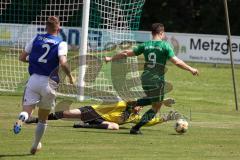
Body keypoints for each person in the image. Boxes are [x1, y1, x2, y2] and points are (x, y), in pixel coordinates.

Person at [105, 23, 199, 134]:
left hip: (145, 78)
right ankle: (135, 127)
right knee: (156, 106)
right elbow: (177, 62)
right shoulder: (165, 46)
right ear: (161, 33)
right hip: (156, 80)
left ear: (152, 33)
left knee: (152, 100)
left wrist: (111, 58)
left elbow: (126, 53)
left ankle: (133, 105)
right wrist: (191, 69)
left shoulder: (145, 45)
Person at [13, 16, 74, 154]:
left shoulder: (36, 38)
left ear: (45, 27)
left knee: (27, 111)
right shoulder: (61, 43)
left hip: (34, 80)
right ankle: (35, 145)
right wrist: (70, 76)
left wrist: (36, 62)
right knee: (43, 119)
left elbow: (22, 57)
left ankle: (22, 117)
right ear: (58, 28)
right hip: (50, 83)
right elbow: (63, 62)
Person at [25, 99, 179, 130]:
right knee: (66, 114)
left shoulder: (134, 117)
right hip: (92, 111)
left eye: (140, 107)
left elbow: (149, 122)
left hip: (98, 121)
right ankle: (35, 119)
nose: (139, 108)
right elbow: (130, 101)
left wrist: (166, 118)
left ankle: (84, 125)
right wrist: (162, 100)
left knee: (114, 127)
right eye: (138, 105)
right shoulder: (123, 104)